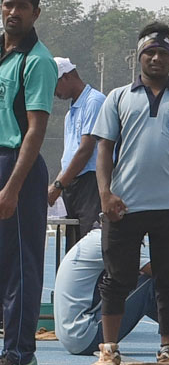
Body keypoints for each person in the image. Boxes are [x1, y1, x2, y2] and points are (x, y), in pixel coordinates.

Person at [93, 22, 169, 365]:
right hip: (125, 205)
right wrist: (105, 195)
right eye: (150, 52)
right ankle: (109, 351)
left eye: (163, 53)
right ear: (139, 56)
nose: (156, 58)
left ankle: (168, 349)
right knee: (117, 279)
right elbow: (104, 150)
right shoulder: (118, 98)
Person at [54, 227, 169, 359]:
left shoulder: (96, 239)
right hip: (85, 334)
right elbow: (156, 273)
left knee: (142, 285)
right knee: (150, 285)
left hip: (74, 334)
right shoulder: (112, 242)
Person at [0, 0, 57, 365]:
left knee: (21, 263)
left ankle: (21, 355)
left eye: (21, 6)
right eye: (7, 4)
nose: (12, 12)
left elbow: (35, 130)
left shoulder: (37, 60)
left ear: (35, 12)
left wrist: (12, 187)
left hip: (18, 164)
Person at [48, 58, 106, 250]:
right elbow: (69, 154)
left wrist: (58, 185)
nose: (54, 93)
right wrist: (57, 185)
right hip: (72, 184)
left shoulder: (94, 101)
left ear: (66, 77)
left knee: (92, 244)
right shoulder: (70, 113)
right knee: (74, 245)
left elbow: (85, 150)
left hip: (90, 183)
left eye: (54, 85)